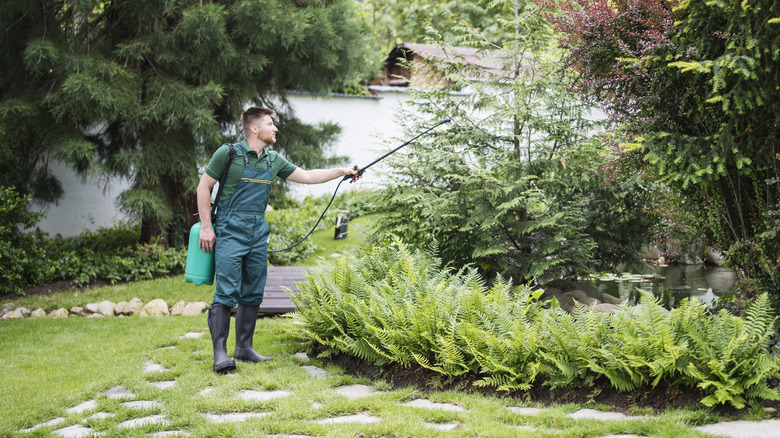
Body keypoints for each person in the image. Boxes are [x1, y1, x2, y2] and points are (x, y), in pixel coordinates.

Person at [196, 107, 358, 373]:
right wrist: (206, 227)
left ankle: (244, 349)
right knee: (226, 290)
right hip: (229, 228)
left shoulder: (273, 160)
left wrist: (342, 171)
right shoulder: (229, 153)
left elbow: (306, 176)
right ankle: (220, 354)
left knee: (253, 289)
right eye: (270, 124)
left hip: (257, 231)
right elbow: (204, 187)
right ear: (254, 129)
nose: (275, 128)